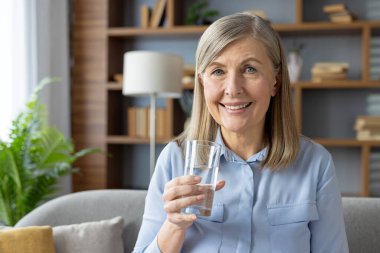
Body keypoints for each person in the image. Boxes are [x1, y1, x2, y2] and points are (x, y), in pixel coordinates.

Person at [133, 12, 349, 253]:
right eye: (217, 71)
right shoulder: (175, 159)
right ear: (202, 83)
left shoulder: (316, 164)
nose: (233, 88)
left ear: (276, 81)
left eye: (249, 69)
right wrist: (173, 226)